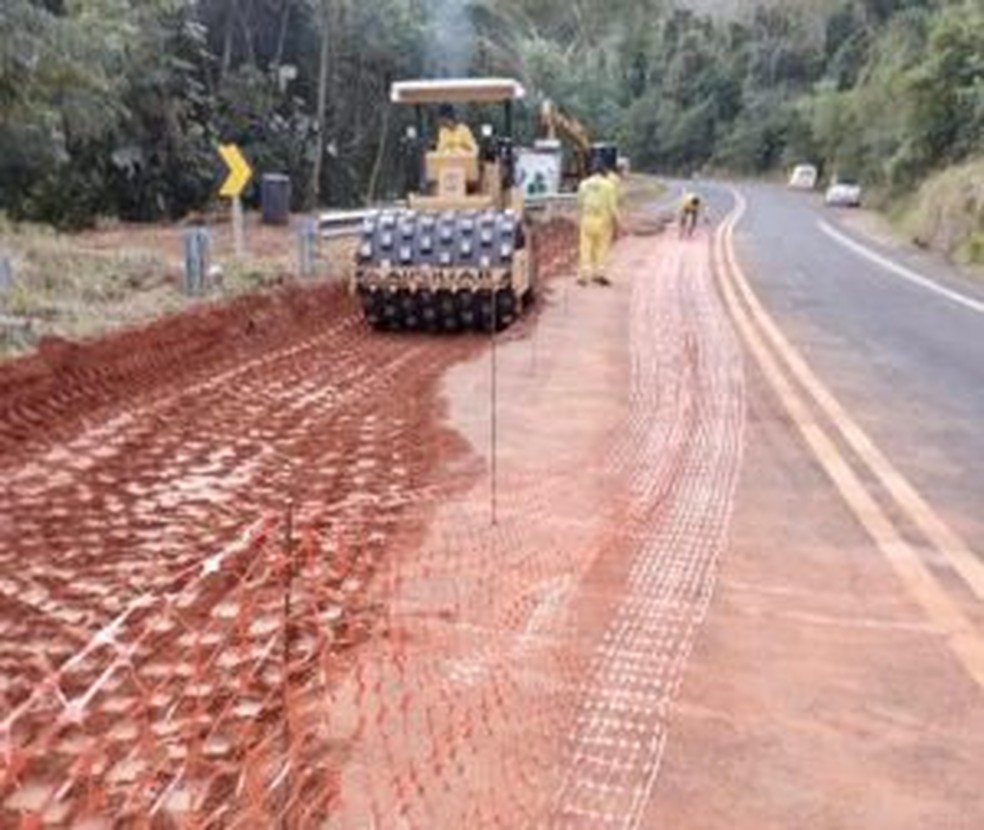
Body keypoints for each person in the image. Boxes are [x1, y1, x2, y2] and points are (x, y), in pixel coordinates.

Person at [577, 159, 621, 286]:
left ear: (591, 170)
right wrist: (618, 222)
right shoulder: (609, 185)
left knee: (585, 248)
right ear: (603, 171)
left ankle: (584, 275)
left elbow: (579, 203)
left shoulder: (583, 184)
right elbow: (612, 207)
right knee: (601, 249)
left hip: (587, 220)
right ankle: (599, 274)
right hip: (603, 222)